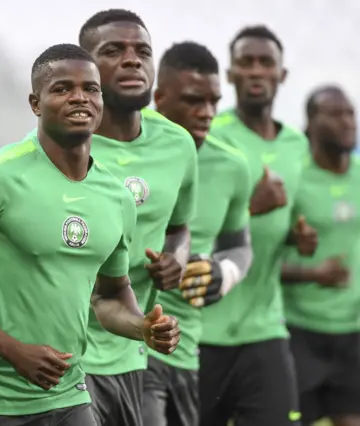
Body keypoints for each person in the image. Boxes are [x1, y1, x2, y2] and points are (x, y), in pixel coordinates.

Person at [0, 43, 180, 426]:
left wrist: (142, 326)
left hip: (69, 395)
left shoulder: (116, 197)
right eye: (62, 88)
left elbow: (109, 295)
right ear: (35, 103)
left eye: (90, 89)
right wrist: (14, 351)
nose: (80, 98)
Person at [76, 10, 196, 426]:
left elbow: (180, 226)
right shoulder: (62, 147)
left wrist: (175, 258)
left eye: (142, 51)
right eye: (113, 51)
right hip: (61, 354)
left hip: (132, 347)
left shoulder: (178, 145)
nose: (132, 60)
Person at [198, 25, 318, 426]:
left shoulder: (297, 146)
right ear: (230, 74)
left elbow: (287, 223)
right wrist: (253, 206)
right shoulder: (209, 136)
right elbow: (187, 234)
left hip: (266, 327)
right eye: (245, 63)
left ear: (281, 75)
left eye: (266, 63)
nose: (255, 71)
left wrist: (299, 238)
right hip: (203, 331)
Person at [142, 41, 253, 426]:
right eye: (193, 101)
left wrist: (224, 273)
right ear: (159, 97)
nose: (206, 113)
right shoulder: (123, 150)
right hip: (126, 348)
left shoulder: (232, 166)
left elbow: (240, 246)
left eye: (213, 101)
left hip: (186, 348)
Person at [281, 86, 360, 426]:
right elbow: (261, 256)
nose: (347, 122)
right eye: (335, 114)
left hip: (353, 331)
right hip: (299, 330)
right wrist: (312, 273)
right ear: (310, 124)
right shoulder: (292, 179)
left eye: (350, 113)